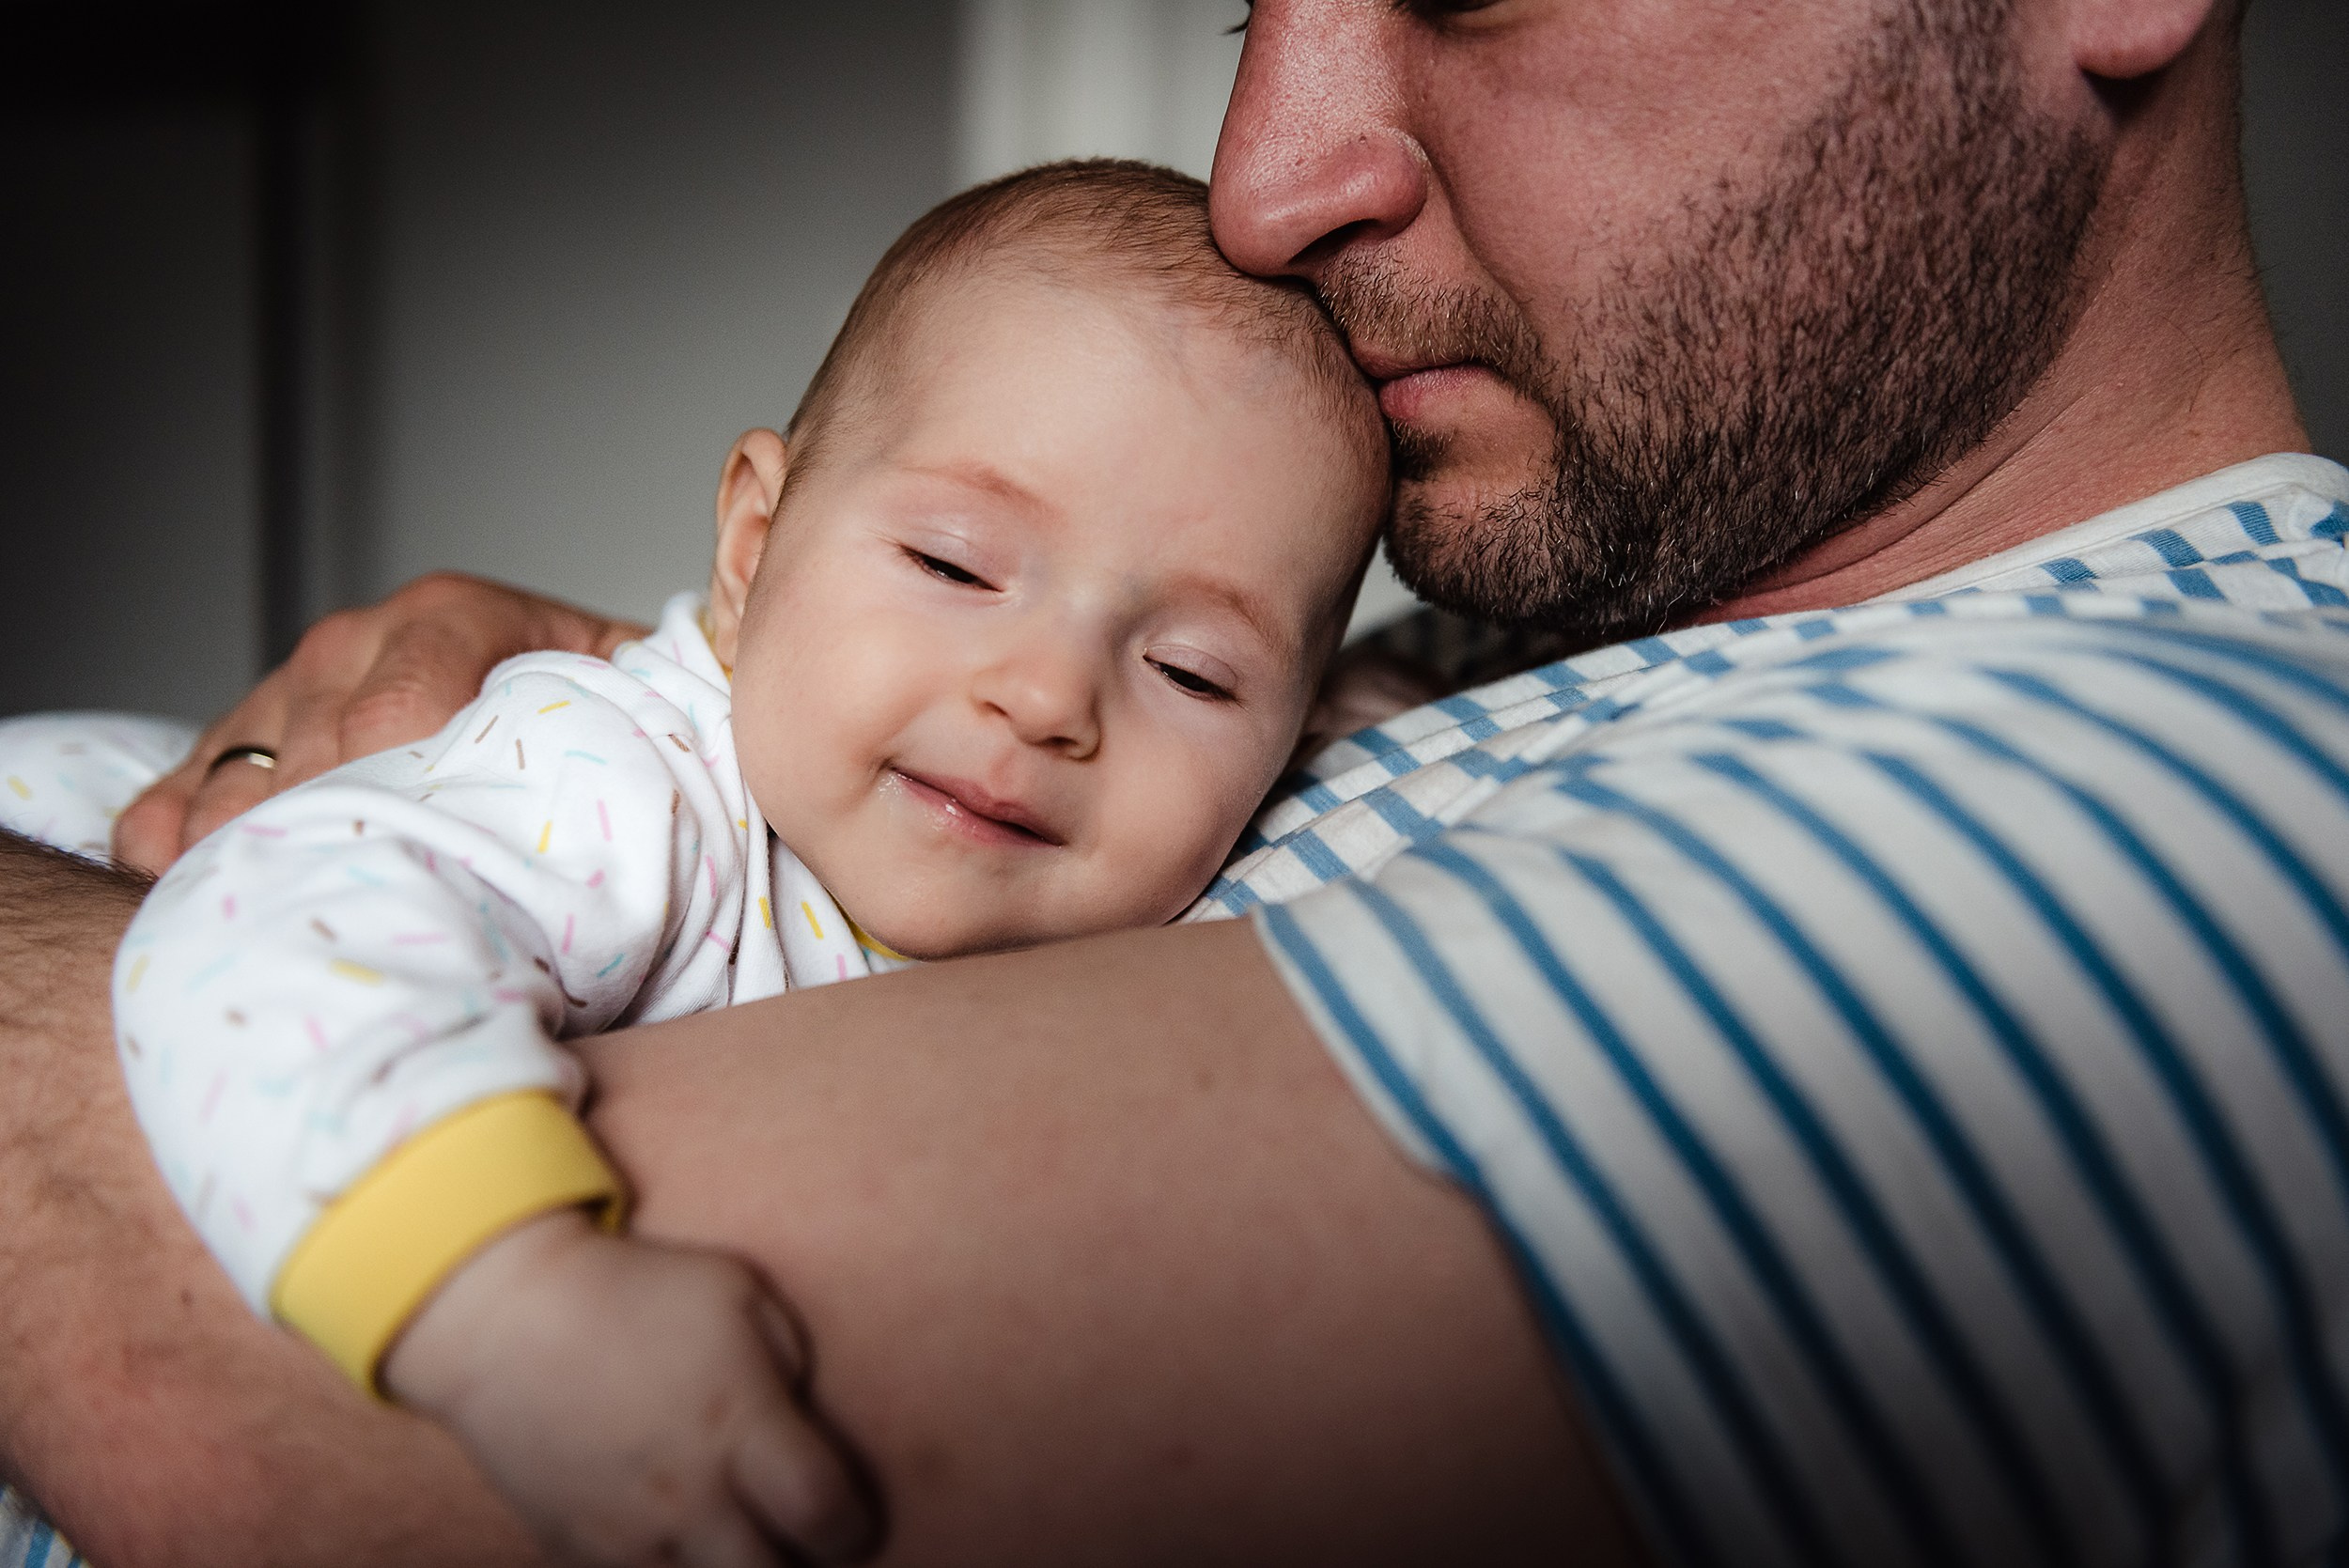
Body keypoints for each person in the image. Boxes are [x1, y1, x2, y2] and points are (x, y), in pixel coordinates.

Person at [2, 0, 2342, 1564]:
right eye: (1249, 15)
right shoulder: (1511, 666)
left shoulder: (2173, 816)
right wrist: (653, 681)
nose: (1265, 177)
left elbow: (253, 1400)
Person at [12, 160, 1380, 1568]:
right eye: (959, 565)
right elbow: (262, 937)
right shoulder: (621, 782)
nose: (1047, 696)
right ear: (752, 544)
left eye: (1193, 673)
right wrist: (513, 1309)